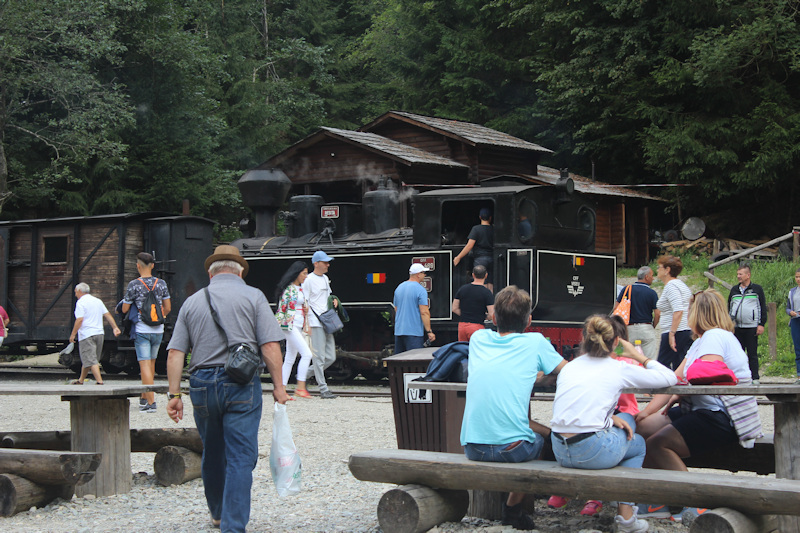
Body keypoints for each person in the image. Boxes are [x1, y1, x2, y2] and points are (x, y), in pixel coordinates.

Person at [165, 245, 290, 532]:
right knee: (240, 456)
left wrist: (174, 396)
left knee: (213, 450)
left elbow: (175, 353)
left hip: (201, 385)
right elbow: (270, 346)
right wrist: (279, 387)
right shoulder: (254, 296)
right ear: (240, 272)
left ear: (210, 273)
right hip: (241, 383)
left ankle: (218, 514)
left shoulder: (193, 301)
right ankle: (232, 526)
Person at [635, 289, 761, 522]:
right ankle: (660, 500)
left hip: (721, 415)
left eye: (691, 310)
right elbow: (675, 379)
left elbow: (708, 374)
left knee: (656, 445)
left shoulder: (715, 337)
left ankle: (694, 504)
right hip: (698, 410)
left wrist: (683, 392)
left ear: (698, 313)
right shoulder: (700, 342)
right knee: (641, 429)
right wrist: (644, 413)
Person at [550, 315, 676, 532]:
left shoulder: (570, 367)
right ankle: (626, 518)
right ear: (616, 342)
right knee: (636, 443)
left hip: (560, 449)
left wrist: (609, 419)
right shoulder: (617, 368)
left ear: (583, 339)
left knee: (624, 421)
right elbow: (669, 378)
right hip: (591, 450)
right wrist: (638, 356)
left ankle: (605, 504)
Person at [460, 286, 566, 530]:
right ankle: (513, 510)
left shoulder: (478, 339)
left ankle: (514, 509)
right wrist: (540, 375)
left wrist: (532, 376)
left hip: (473, 447)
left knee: (522, 427)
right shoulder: (535, 342)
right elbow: (568, 371)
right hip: (513, 450)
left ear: (494, 318)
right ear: (529, 320)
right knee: (544, 442)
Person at [122, 252, 171, 412]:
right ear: (153, 266)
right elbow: (168, 308)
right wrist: (159, 316)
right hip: (158, 329)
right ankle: (144, 398)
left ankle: (151, 402)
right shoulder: (161, 283)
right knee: (151, 364)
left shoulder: (134, 284)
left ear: (138, 266)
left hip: (142, 329)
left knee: (144, 364)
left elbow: (125, 308)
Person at [302, 250, 339, 399]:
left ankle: (302, 375)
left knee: (330, 357)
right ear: (316, 264)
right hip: (315, 321)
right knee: (319, 357)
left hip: (326, 320)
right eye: (325, 262)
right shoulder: (308, 280)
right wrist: (307, 324)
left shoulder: (325, 278)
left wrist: (334, 300)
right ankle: (323, 389)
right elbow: (305, 301)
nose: (328, 264)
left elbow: (328, 296)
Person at [68, 283, 121, 385]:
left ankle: (99, 381)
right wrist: (115, 327)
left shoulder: (80, 303)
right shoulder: (98, 301)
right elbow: (107, 315)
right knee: (90, 358)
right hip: (99, 333)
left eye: (75, 292)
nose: (75, 295)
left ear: (79, 291)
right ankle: (81, 380)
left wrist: (73, 334)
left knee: (91, 359)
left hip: (87, 334)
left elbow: (79, 320)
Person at [275, 261, 313, 398]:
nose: (306, 276)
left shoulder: (300, 288)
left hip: (297, 325)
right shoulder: (288, 289)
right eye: (304, 273)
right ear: (297, 274)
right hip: (289, 326)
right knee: (307, 354)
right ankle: (300, 387)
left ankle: (282, 389)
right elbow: (281, 309)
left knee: (290, 357)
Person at [728, 263, 766, 384]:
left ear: (748, 275)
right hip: (737, 327)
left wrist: (761, 324)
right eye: (737, 274)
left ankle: (755, 377)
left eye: (741, 274)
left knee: (752, 353)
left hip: (751, 327)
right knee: (737, 354)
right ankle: (738, 377)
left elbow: (762, 307)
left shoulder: (757, 289)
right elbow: (729, 307)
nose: (738, 276)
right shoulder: (734, 290)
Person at [655, 255, 693, 370]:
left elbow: (678, 310)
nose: (657, 270)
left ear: (667, 270)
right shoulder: (680, 285)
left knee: (662, 365)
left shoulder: (671, 286)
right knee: (679, 364)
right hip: (683, 329)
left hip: (676, 331)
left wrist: (672, 333)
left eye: (659, 267)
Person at [614, 266, 660, 359]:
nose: (653, 278)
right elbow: (658, 314)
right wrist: (652, 326)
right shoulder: (652, 293)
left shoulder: (626, 289)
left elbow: (616, 308)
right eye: (652, 275)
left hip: (629, 329)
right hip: (646, 328)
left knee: (627, 358)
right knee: (649, 360)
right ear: (646, 277)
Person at [393, 263, 435, 353]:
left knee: (399, 361)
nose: (425, 275)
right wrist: (429, 331)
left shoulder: (399, 288)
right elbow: (424, 312)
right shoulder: (420, 290)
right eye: (423, 273)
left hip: (399, 331)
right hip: (414, 333)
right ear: (418, 274)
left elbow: (396, 309)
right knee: (413, 361)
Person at [453, 207, 493, 292]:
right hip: (491, 258)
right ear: (490, 218)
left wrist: (458, 257)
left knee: (481, 282)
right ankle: (490, 302)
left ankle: (482, 303)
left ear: (479, 217)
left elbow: (469, 245)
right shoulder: (493, 229)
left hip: (480, 259)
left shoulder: (476, 229)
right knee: (490, 283)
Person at [452, 264, 494, 342]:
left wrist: (466, 315)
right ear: (486, 275)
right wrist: (483, 317)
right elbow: (492, 314)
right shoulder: (487, 292)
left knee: (463, 350)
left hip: (462, 326)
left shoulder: (462, 289)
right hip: (477, 327)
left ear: (473, 275)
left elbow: (454, 308)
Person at [786, 267, 800, 384]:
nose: (798, 279)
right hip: (795, 321)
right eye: (796, 277)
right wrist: (790, 312)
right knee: (798, 348)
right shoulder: (792, 291)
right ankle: (799, 375)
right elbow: (788, 307)